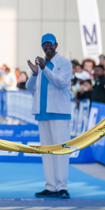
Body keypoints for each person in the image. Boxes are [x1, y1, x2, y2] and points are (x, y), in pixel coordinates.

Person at [26, 33, 72, 199]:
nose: (48, 47)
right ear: (42, 46)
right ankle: (51, 186)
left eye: (50, 44)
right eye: (45, 44)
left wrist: (45, 69)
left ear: (56, 45)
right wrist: (35, 73)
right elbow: (29, 88)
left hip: (59, 113)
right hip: (42, 113)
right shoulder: (40, 65)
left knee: (60, 151)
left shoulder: (64, 64)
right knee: (46, 152)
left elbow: (61, 83)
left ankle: (62, 187)